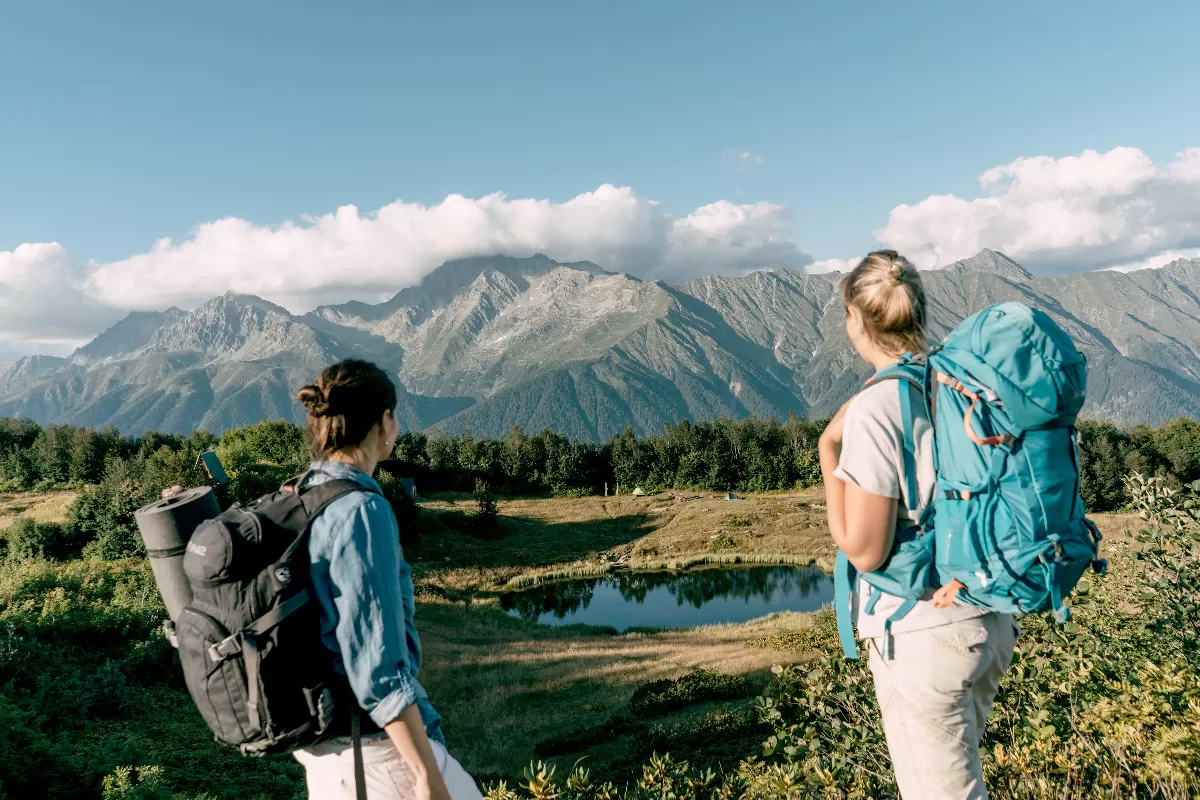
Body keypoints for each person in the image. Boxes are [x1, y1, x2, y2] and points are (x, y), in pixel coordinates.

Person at [818, 251, 1018, 800]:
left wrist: (826, 451)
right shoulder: (959, 384)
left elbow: (864, 550)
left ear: (856, 318)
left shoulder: (879, 405)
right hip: (989, 617)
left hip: (924, 630)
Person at [291, 359, 482, 800]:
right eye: (395, 415)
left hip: (325, 755)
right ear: (384, 422)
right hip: (374, 755)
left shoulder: (303, 494)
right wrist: (425, 776)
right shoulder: (361, 511)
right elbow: (378, 669)